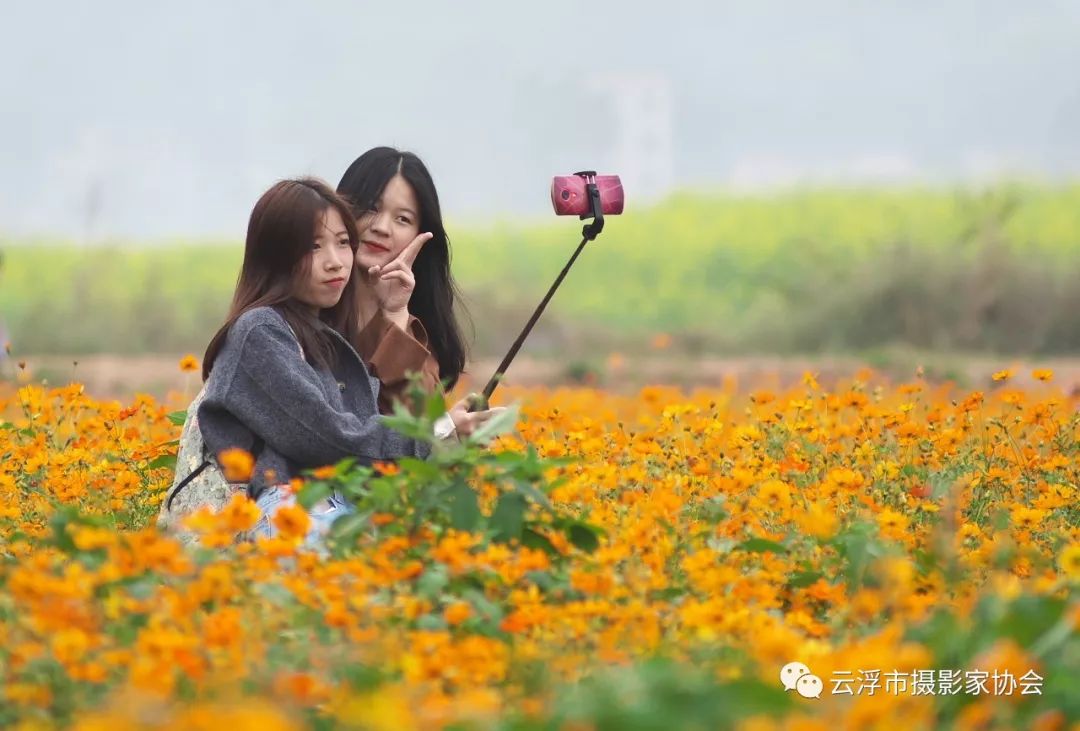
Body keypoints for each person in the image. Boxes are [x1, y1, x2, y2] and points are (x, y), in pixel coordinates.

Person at [161, 177, 499, 545]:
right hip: (286, 519)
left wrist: (395, 313)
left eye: (342, 243)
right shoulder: (260, 332)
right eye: (313, 247)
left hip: (326, 511)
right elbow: (327, 437)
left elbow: (368, 423)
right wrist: (438, 434)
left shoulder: (319, 333)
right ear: (275, 255)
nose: (335, 262)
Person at [337, 147, 497, 439]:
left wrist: (395, 316)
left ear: (419, 236)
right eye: (372, 207)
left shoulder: (417, 337)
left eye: (403, 219)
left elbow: (419, 432)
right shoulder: (305, 315)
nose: (382, 228)